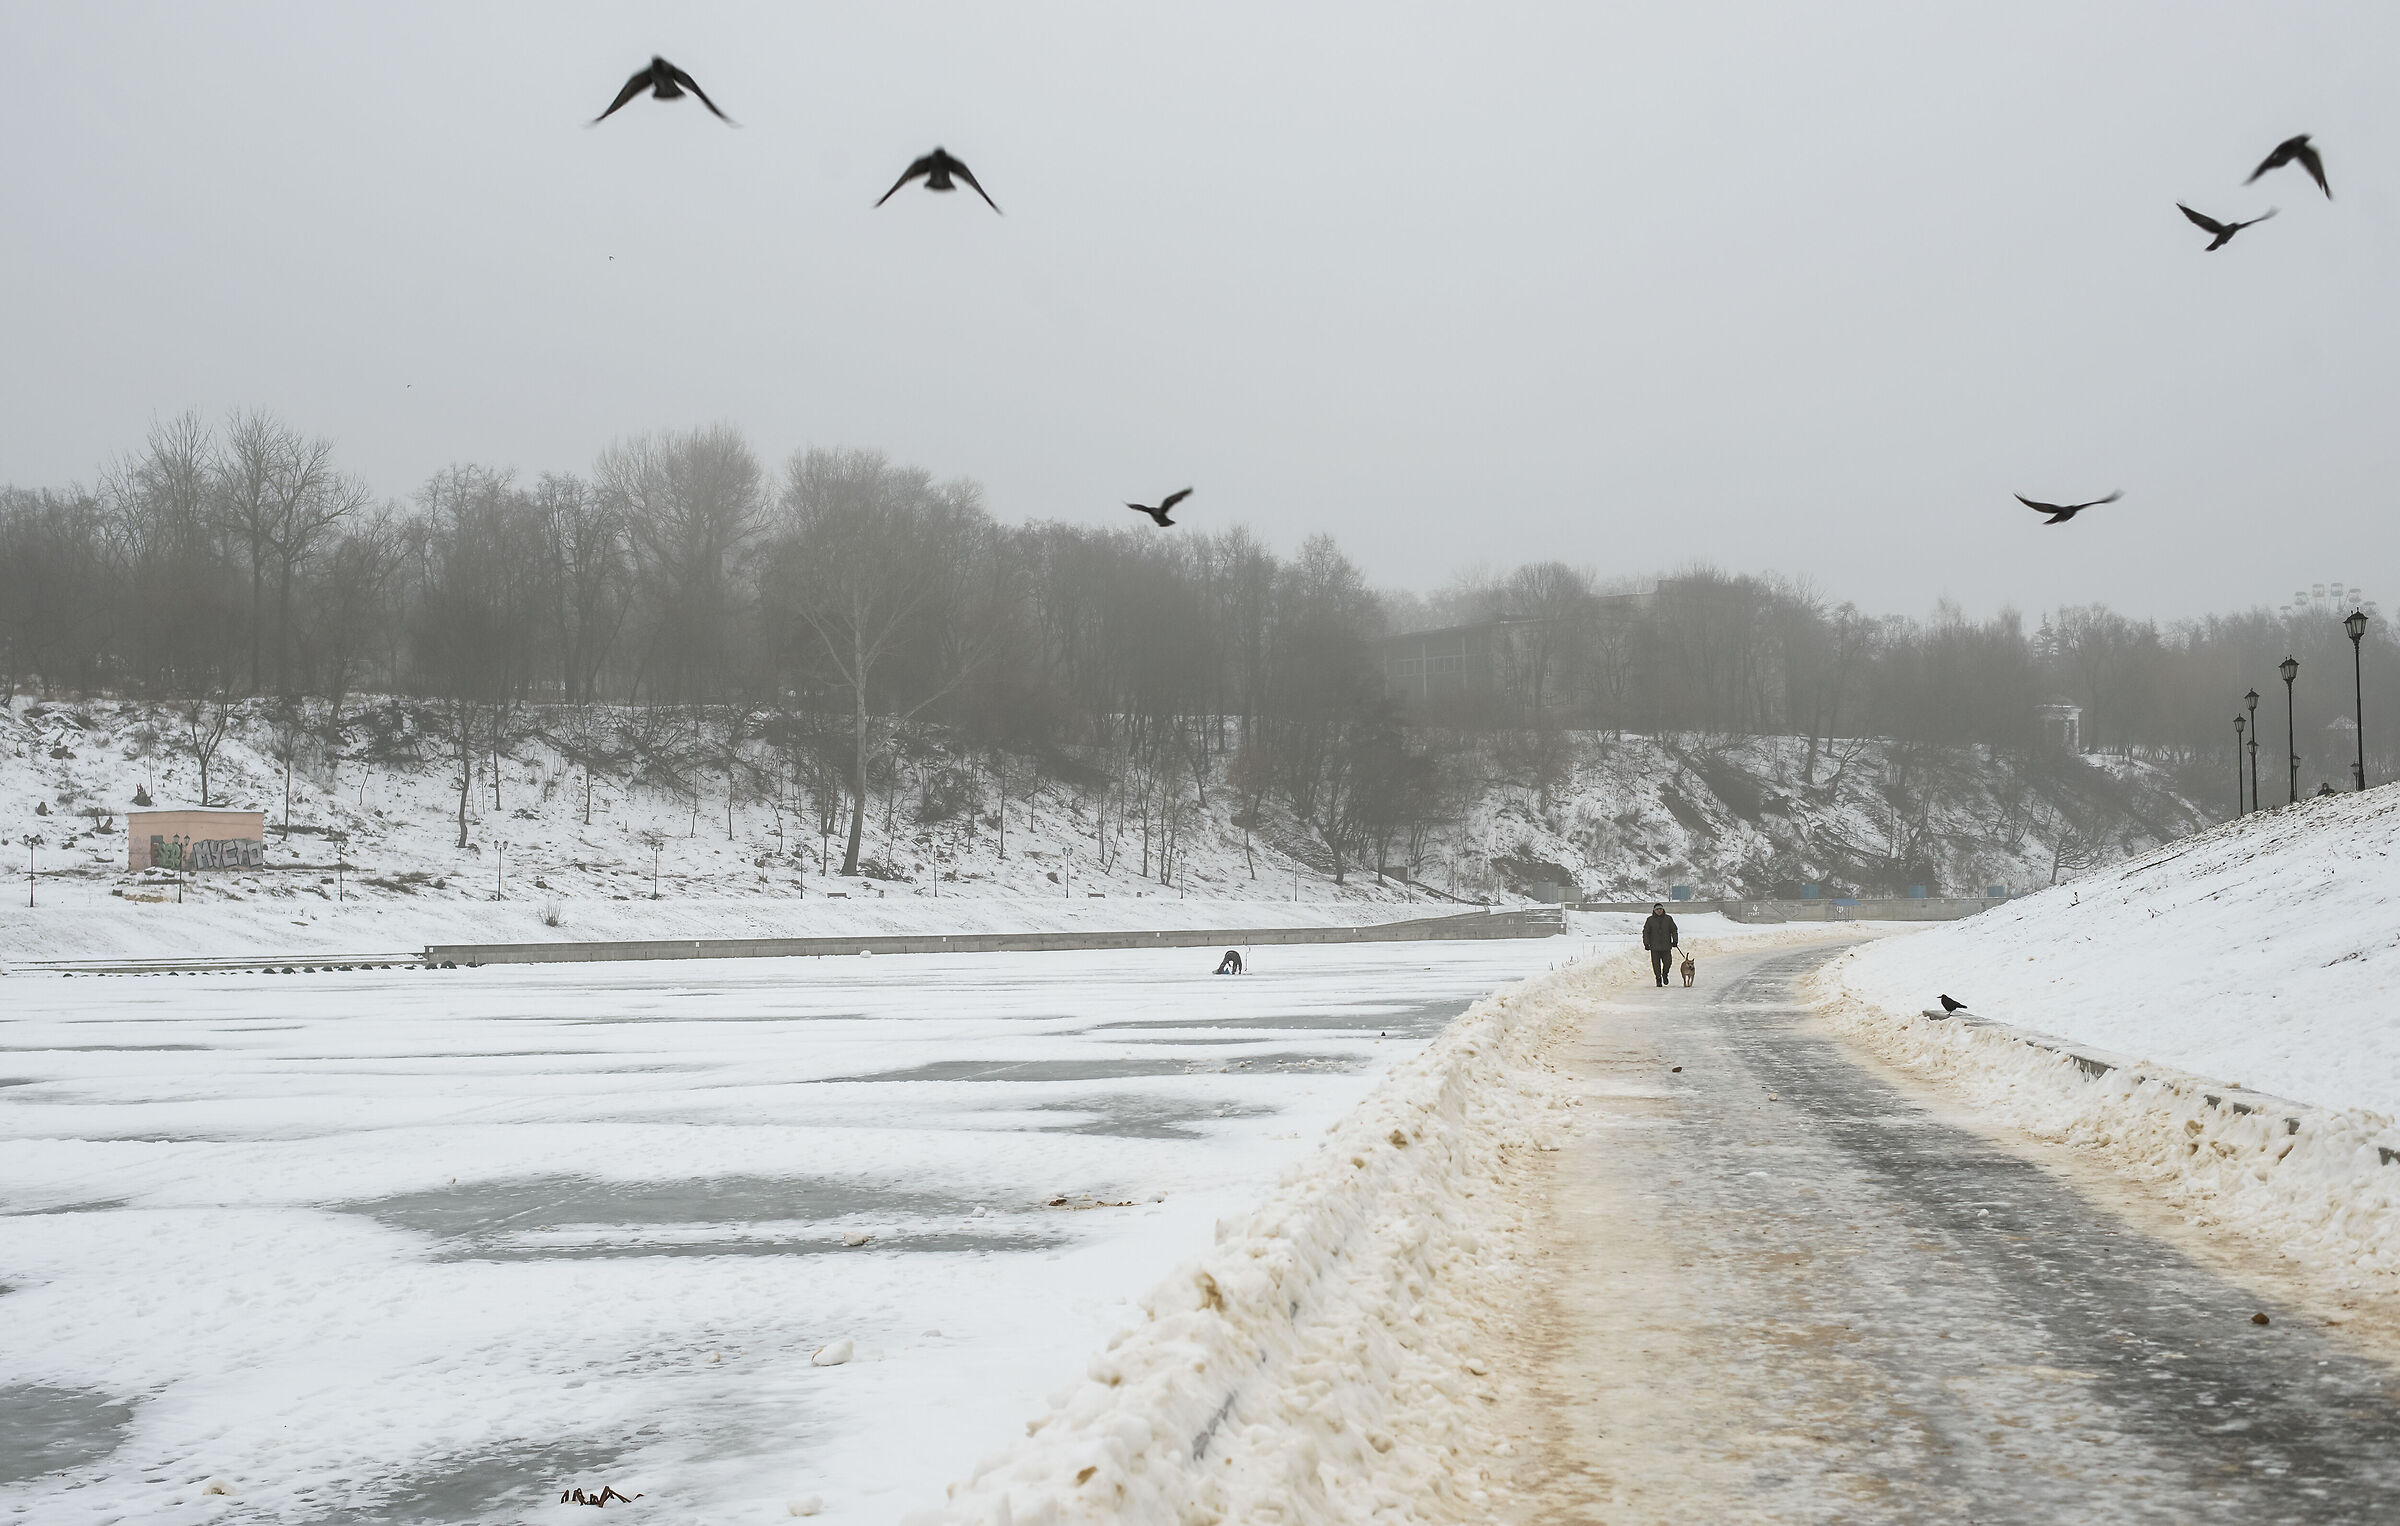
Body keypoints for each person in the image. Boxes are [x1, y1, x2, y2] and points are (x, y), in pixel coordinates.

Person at [1641, 903, 1680, 987]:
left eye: (1660, 909)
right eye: (1657, 909)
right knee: (1656, 964)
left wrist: (1675, 941)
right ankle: (1658, 978)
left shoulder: (1668, 919)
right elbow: (1646, 932)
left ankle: (1665, 974)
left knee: (1668, 962)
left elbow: (1674, 930)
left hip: (1666, 946)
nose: (1659, 911)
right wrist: (1646, 943)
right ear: (1654, 910)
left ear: (1663, 910)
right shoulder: (1650, 920)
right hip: (1654, 947)